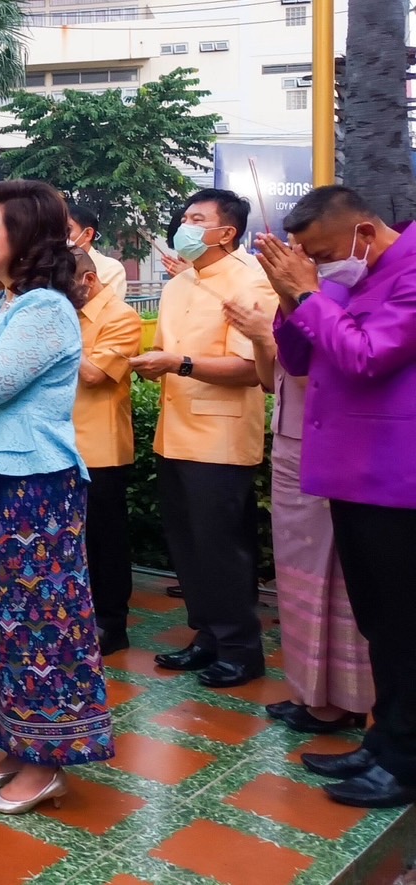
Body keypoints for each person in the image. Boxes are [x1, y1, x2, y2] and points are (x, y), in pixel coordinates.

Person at [0, 179, 113, 816]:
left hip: (34, 488)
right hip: (0, 483)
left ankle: (46, 765)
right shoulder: (11, 304)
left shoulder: (44, 309)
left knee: (40, 623)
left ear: (26, 238)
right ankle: (19, 744)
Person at [259, 185, 416, 809]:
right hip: (351, 476)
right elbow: (298, 355)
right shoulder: (347, 278)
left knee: (404, 627)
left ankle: (405, 761)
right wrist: (286, 296)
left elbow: (366, 356)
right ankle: (385, 741)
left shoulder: (407, 273)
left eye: (322, 254)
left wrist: (307, 292)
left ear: (365, 234)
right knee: (380, 624)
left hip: (396, 479)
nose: (319, 268)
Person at [129, 188, 276, 688]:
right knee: (187, 544)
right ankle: (207, 636)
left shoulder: (249, 281)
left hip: (220, 436)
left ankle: (240, 648)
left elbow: (250, 369)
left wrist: (179, 363)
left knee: (222, 546)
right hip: (175, 433)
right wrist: (157, 364)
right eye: (185, 216)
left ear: (225, 232)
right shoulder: (179, 283)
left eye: (197, 218)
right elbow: (168, 349)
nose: (184, 226)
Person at [222, 292, 372, 735]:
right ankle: (311, 693)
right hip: (290, 441)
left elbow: (326, 379)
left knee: (338, 577)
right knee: (298, 573)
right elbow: (272, 381)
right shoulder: (290, 302)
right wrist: (261, 339)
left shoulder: (346, 300)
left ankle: (350, 698)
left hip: (331, 445)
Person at [69, 246, 143, 655]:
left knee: (104, 541)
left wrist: (60, 335)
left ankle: (112, 624)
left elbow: (95, 375)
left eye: (65, 290)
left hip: (101, 448)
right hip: (62, 443)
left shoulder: (121, 317)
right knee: (72, 540)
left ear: (89, 280)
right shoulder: (70, 315)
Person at [67, 203, 127, 299]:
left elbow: (106, 308)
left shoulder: (111, 269)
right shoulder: (50, 265)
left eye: (67, 230)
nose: (60, 236)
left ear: (87, 234)